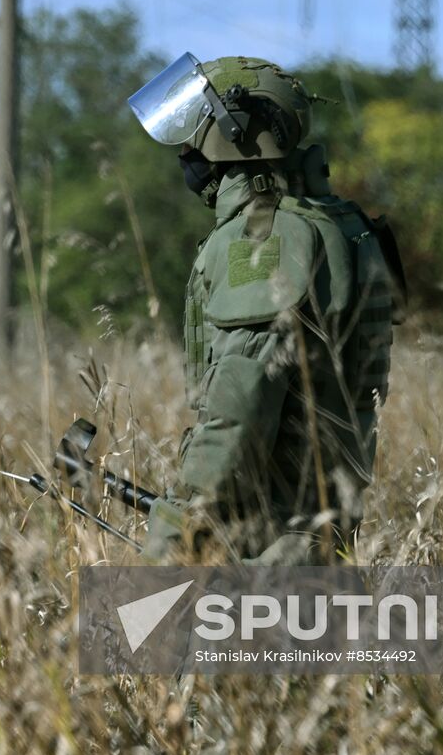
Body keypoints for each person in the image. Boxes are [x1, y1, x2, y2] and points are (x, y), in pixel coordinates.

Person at [128, 54, 403, 565]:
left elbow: (243, 405)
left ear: (233, 132)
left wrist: (180, 530)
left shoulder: (266, 237)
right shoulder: (337, 222)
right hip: (310, 528)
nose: (186, 150)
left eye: (193, 132)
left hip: (269, 542)